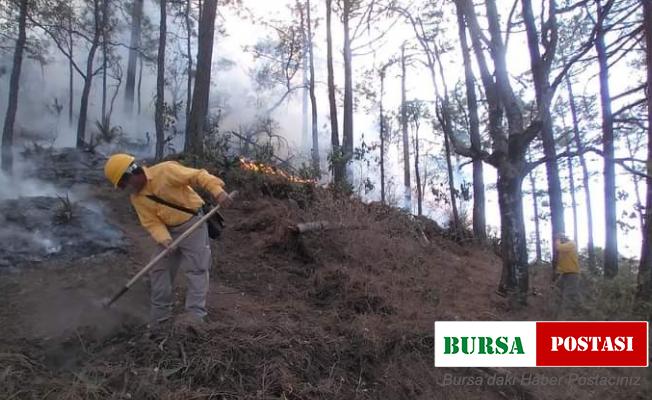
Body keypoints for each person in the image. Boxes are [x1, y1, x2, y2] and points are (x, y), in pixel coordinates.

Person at [103, 153, 233, 327]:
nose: (126, 188)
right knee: (159, 270)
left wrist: (218, 192)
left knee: (197, 269)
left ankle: (195, 318)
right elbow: (151, 222)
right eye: (122, 186)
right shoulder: (137, 198)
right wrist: (164, 240)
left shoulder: (165, 171)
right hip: (170, 231)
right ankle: (160, 319)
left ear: (132, 172)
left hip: (193, 223)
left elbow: (198, 175)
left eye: (124, 183)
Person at [552, 232, 580, 318]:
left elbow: (558, 247)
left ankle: (566, 317)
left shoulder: (571, 244)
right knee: (557, 290)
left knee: (568, 295)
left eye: (562, 238)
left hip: (572, 274)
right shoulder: (565, 249)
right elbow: (561, 262)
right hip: (565, 274)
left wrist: (557, 239)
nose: (561, 240)